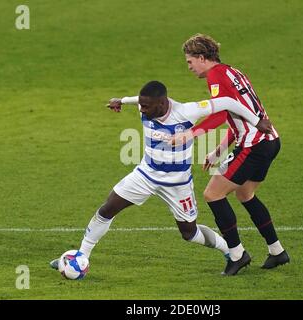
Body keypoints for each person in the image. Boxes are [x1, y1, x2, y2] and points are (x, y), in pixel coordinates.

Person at [50, 80, 271, 274]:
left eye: (146, 106)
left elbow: (228, 103)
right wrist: (121, 100)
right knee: (107, 209)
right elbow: (139, 99)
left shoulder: (187, 111)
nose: (142, 110)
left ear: (162, 103)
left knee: (189, 233)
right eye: (141, 105)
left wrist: (257, 120)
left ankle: (233, 253)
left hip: (178, 184)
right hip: (146, 174)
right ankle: (81, 256)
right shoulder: (146, 105)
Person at [171, 34, 290, 275]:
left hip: (253, 146)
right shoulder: (232, 72)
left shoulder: (215, 77)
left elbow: (218, 114)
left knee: (213, 194)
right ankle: (277, 252)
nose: (189, 67)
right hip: (270, 141)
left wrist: (190, 134)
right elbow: (238, 113)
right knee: (246, 194)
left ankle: (237, 254)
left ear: (202, 58)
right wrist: (220, 149)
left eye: (190, 61)